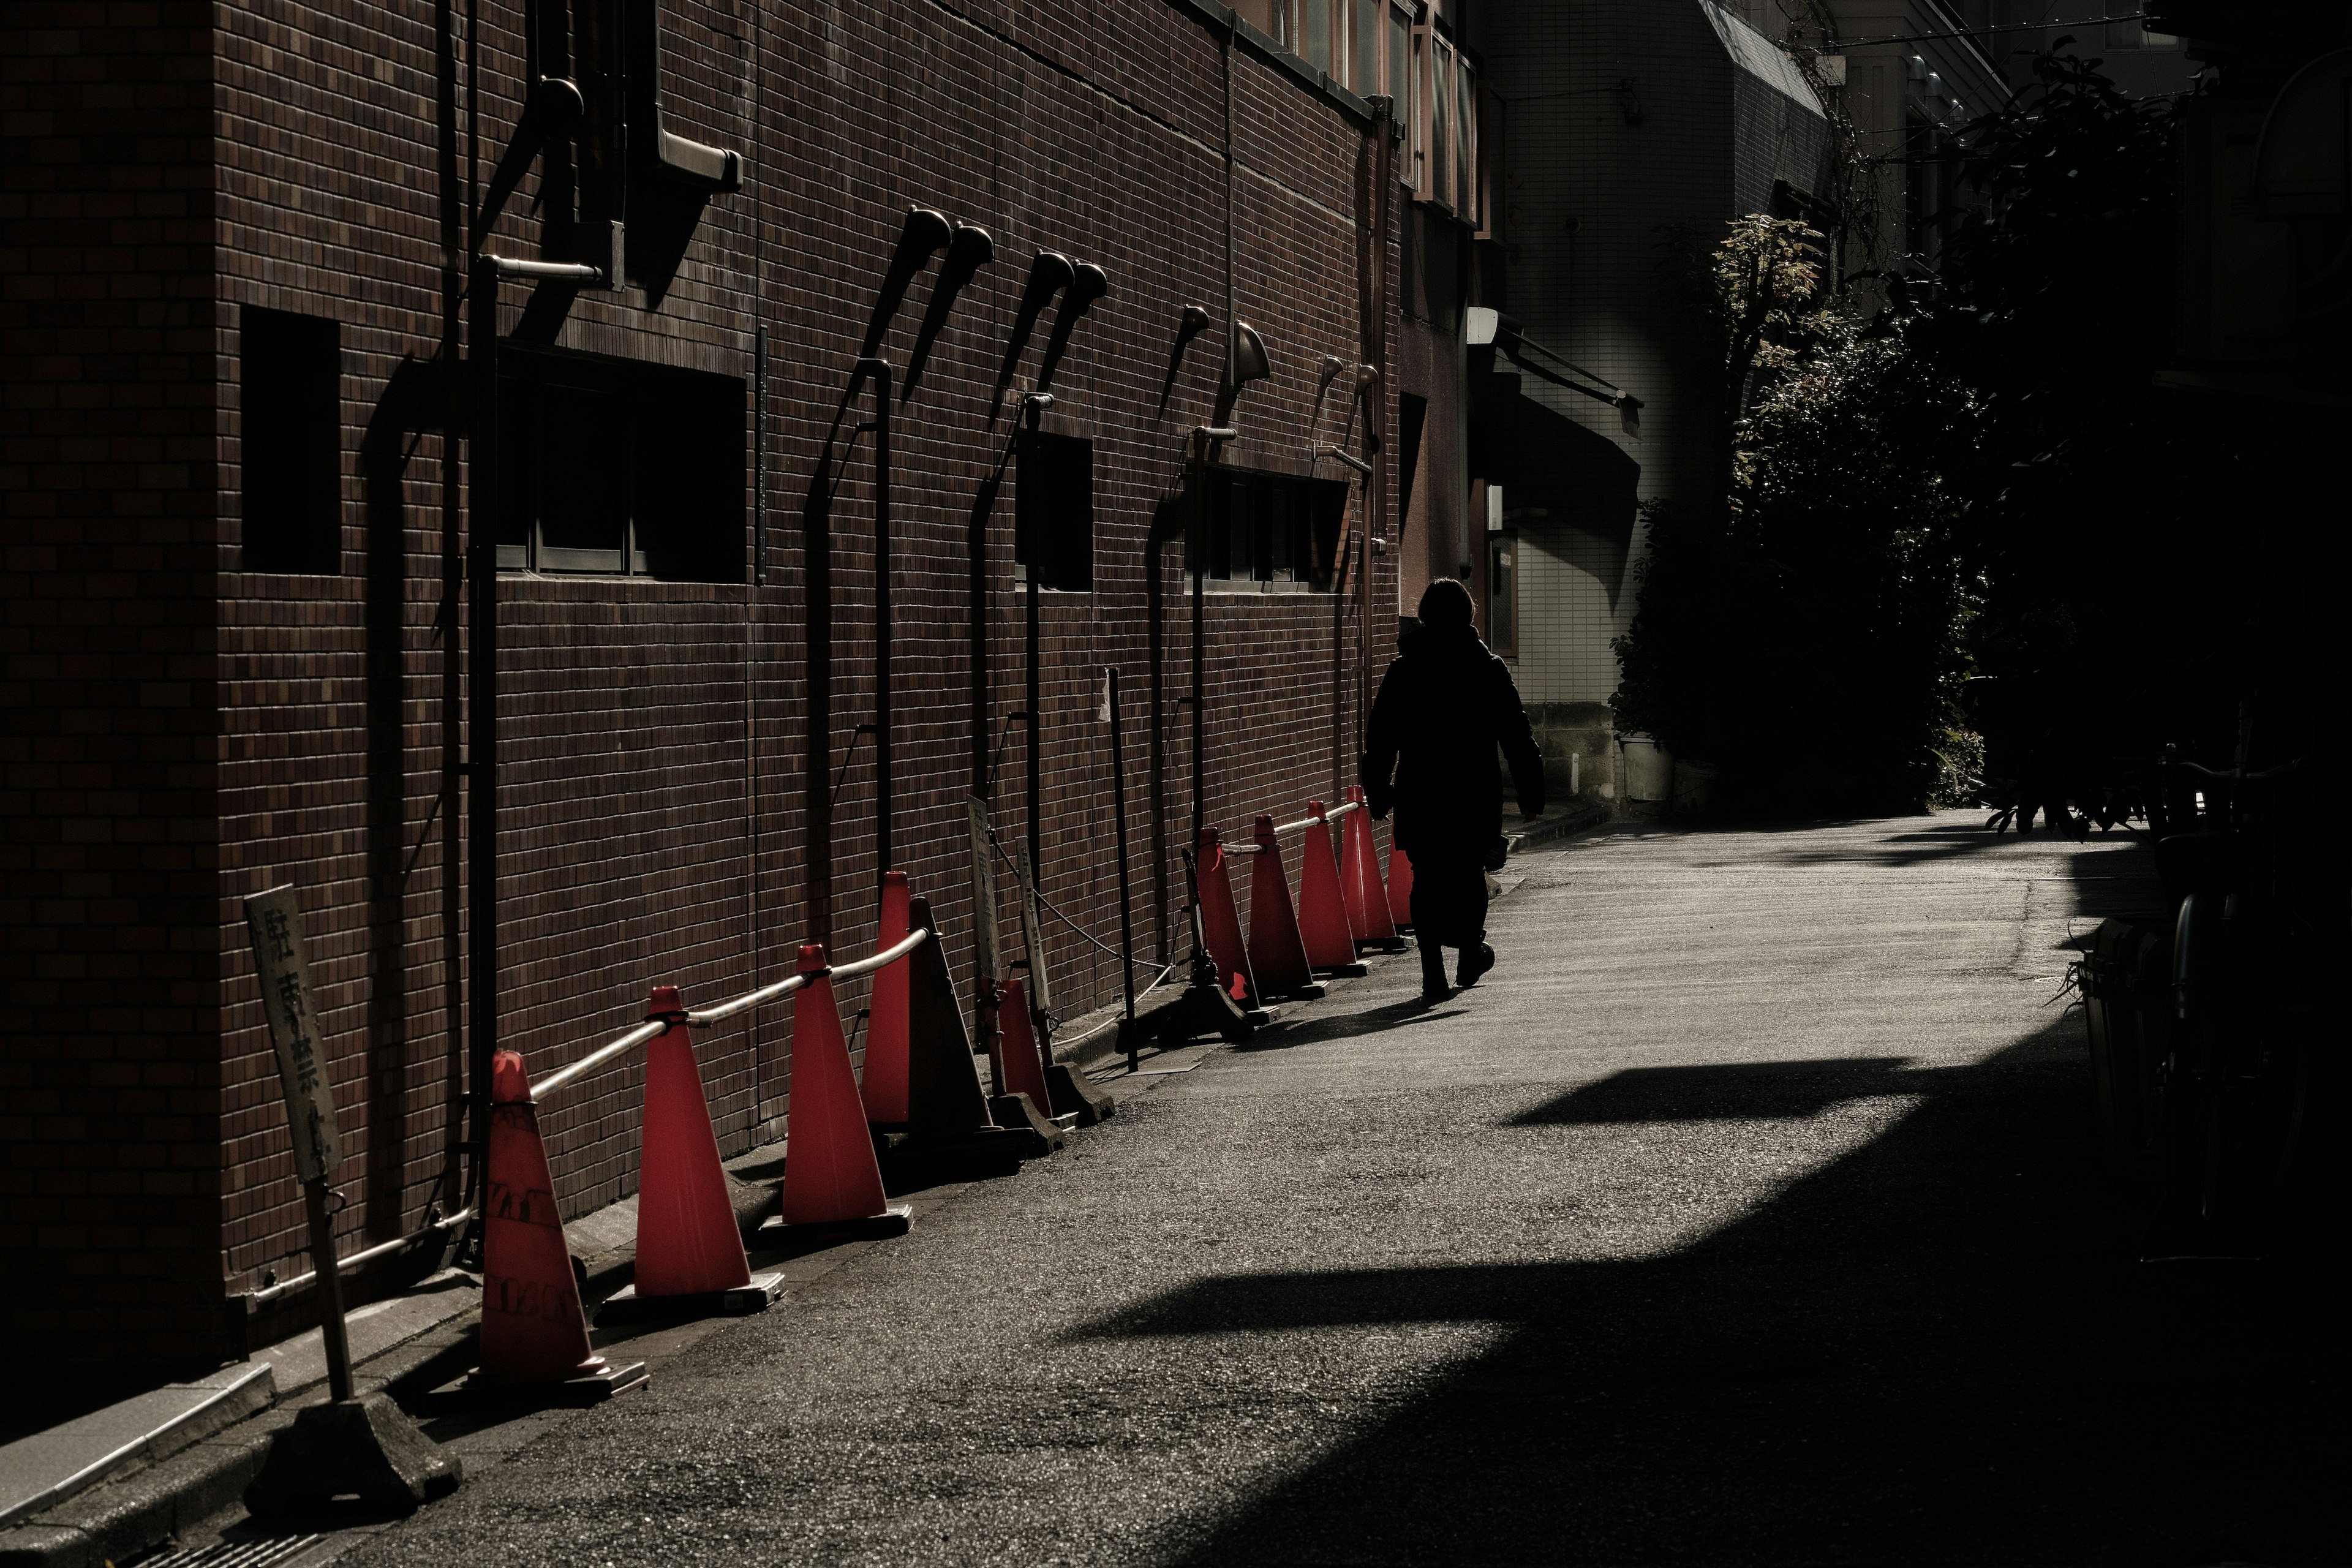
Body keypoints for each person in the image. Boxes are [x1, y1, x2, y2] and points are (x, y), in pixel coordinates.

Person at [1360, 578, 1545, 1003]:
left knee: (1426, 880)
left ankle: (1432, 975)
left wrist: (1378, 790)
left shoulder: (1406, 669)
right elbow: (1518, 736)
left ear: (1425, 616)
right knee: (1468, 875)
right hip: (1475, 793)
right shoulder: (1487, 668)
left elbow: (1382, 735)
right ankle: (1468, 950)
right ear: (1469, 617)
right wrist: (1532, 793)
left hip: (1420, 792)